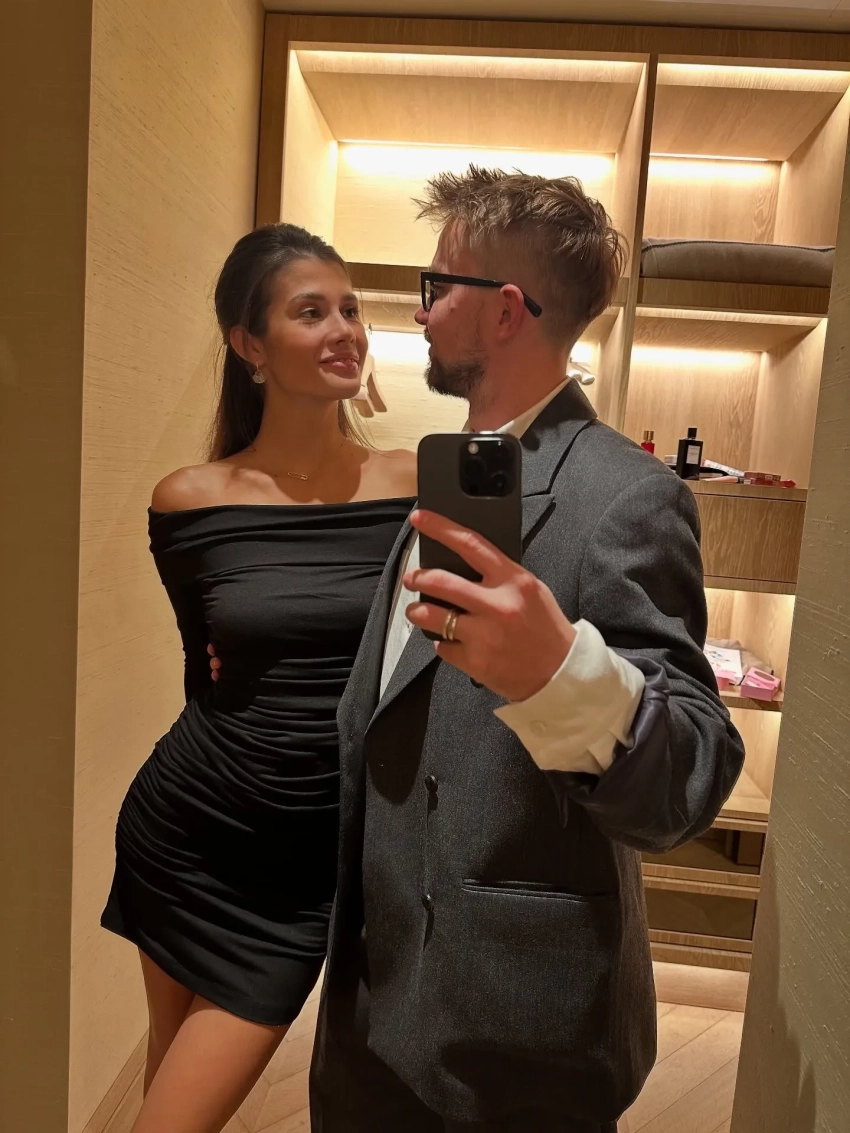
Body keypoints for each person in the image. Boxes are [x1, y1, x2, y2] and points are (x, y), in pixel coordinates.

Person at [308, 168, 746, 1132]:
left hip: (513, 1042)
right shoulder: (456, 478)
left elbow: (692, 775)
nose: (419, 311)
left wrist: (560, 676)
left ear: (505, 310)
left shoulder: (626, 496)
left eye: (436, 286)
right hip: (375, 1011)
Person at [101, 223, 417, 1133]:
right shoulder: (187, 499)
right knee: (169, 1091)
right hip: (186, 829)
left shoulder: (414, 485)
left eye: (351, 309)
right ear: (249, 345)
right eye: (311, 312)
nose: (344, 329)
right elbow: (205, 671)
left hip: (302, 868)